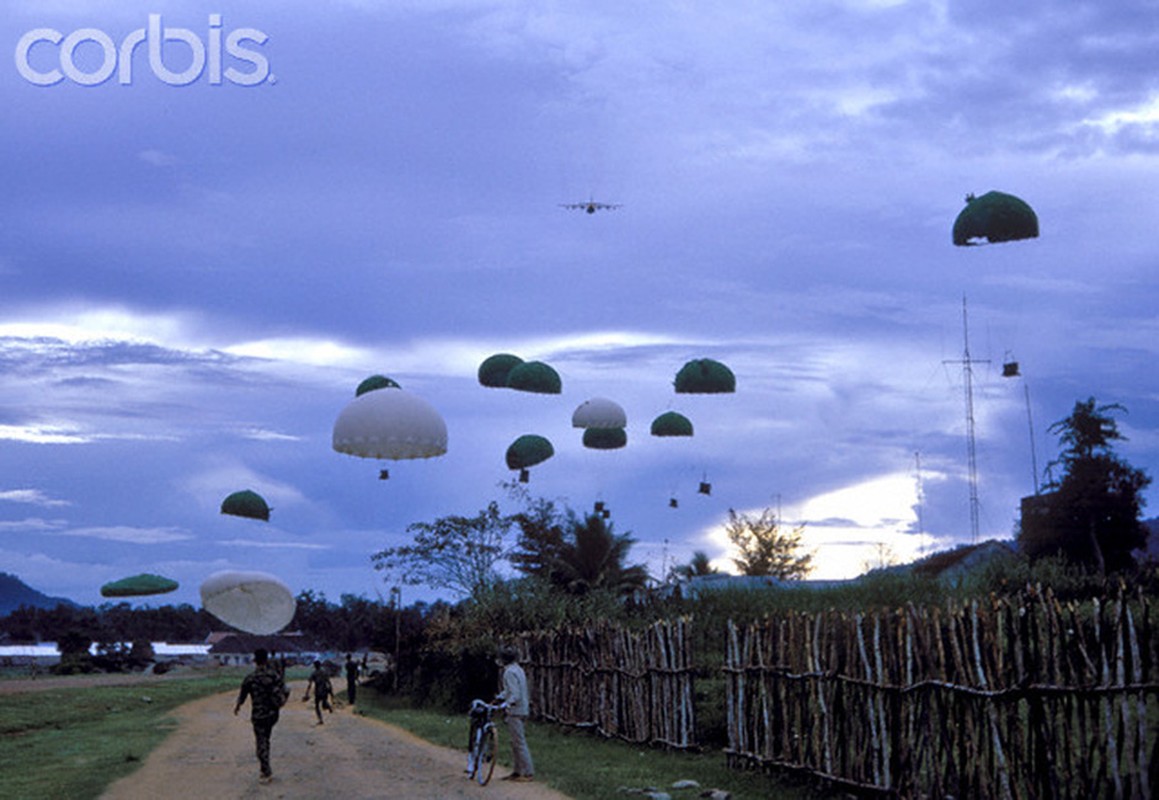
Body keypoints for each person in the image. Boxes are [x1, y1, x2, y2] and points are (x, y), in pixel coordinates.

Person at [234, 648, 289, 783]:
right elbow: (285, 690)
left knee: (261, 740)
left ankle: (265, 770)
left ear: (255, 660)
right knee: (266, 739)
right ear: (266, 660)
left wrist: (238, 706)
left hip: (258, 715)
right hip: (272, 714)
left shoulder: (251, 678)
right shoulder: (274, 676)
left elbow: (243, 695)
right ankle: (265, 767)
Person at [495, 644, 534, 782]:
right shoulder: (518, 669)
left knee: (519, 742)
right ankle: (517, 771)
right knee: (515, 742)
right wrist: (500, 696)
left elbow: (514, 694)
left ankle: (528, 772)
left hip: (515, 710)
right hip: (523, 709)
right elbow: (511, 690)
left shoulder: (509, 672)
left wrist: (506, 704)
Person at [303, 660, 334, 724]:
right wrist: (331, 691)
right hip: (324, 690)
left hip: (318, 691)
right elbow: (328, 682)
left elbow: (310, 684)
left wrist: (307, 693)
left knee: (317, 706)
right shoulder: (324, 672)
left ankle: (320, 719)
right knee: (324, 703)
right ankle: (329, 707)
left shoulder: (314, 673)